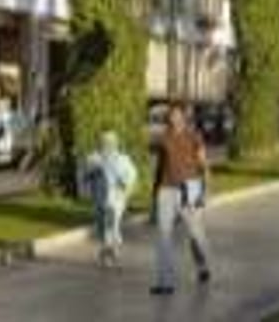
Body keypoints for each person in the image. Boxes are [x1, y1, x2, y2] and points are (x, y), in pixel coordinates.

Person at [151, 103, 212, 296]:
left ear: (183, 118)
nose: (174, 118)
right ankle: (164, 283)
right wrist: (155, 193)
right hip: (166, 189)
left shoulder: (194, 136)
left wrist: (205, 191)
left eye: (177, 115)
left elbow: (203, 164)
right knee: (163, 236)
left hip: (190, 188)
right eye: (171, 116)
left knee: (195, 234)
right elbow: (160, 167)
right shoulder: (163, 139)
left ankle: (202, 265)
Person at [82, 130, 137, 268]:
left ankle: (108, 252)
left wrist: (125, 184)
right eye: (105, 141)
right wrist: (92, 171)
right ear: (100, 143)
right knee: (102, 226)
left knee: (110, 223)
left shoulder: (123, 159)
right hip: (99, 198)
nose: (108, 144)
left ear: (116, 143)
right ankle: (110, 247)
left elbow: (132, 175)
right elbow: (84, 176)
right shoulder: (93, 158)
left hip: (116, 199)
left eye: (111, 142)